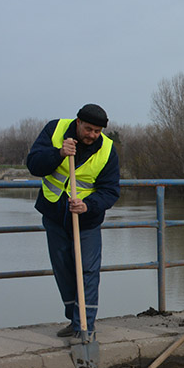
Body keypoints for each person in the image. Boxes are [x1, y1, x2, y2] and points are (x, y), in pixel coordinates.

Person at [26, 104, 120, 340]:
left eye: (97, 131)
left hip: (86, 219)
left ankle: (85, 327)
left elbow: (110, 191)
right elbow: (34, 165)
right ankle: (74, 319)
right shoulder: (54, 130)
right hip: (55, 215)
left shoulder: (107, 150)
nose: (92, 135)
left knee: (88, 271)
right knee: (64, 270)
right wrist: (57, 153)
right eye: (88, 129)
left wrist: (89, 206)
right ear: (78, 122)